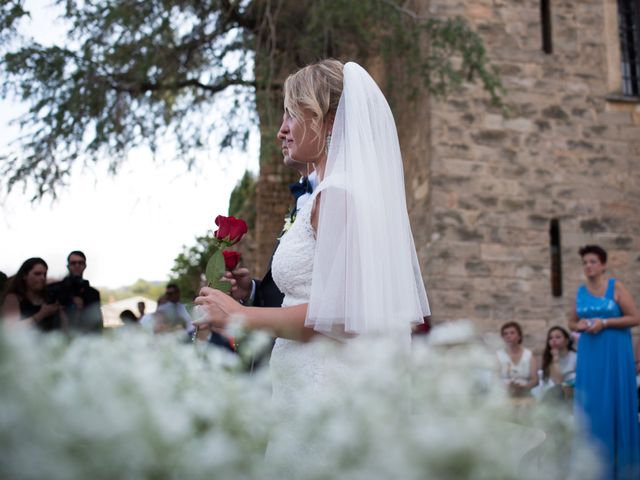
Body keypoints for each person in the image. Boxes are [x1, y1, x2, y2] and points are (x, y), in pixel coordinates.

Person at [195, 60, 430, 465]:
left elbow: (338, 313)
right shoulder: (339, 192)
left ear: (331, 121)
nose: (282, 128)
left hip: (326, 391)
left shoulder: (336, 194)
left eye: (293, 113)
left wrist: (240, 315)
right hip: (314, 385)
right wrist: (250, 294)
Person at [569, 244, 640, 479]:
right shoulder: (579, 291)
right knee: (592, 404)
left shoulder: (615, 286)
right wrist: (577, 326)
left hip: (615, 353)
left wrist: (606, 323)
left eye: (593, 261)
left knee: (615, 399)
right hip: (590, 354)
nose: (588, 266)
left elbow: (636, 317)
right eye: (585, 262)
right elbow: (572, 321)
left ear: (603, 265)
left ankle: (620, 467)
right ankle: (593, 466)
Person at [48, 251, 103, 333]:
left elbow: (96, 322)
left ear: (85, 266)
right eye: (73, 263)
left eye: (80, 263)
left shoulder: (93, 293)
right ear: (68, 266)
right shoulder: (54, 289)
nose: (77, 266)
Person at [0, 257, 61, 331]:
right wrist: (41, 314)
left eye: (44, 274)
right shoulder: (13, 298)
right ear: (25, 276)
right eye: (37, 274)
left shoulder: (48, 297)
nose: (42, 278)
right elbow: (11, 329)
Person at [496, 321, 538, 398]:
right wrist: (507, 387)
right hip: (502, 393)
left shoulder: (529, 355)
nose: (508, 336)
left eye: (512, 333)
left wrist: (524, 388)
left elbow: (534, 380)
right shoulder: (498, 355)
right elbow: (494, 379)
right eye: (505, 334)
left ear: (519, 336)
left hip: (524, 392)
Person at [539, 326, 577, 403]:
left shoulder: (576, 357)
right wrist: (555, 359)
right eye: (550, 338)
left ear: (566, 341)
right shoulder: (549, 358)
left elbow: (560, 383)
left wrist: (555, 360)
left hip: (572, 393)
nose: (554, 340)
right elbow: (556, 382)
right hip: (554, 394)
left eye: (558, 337)